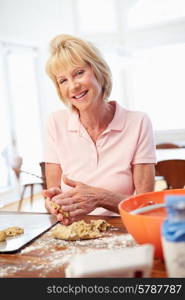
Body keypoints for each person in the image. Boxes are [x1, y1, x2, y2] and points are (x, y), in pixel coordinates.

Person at [43, 34, 156, 225]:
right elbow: (52, 197)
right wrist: (53, 202)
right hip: (73, 231)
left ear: (99, 71)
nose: (73, 86)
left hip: (122, 229)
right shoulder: (55, 122)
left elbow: (146, 206)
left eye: (79, 73)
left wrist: (99, 197)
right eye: (63, 80)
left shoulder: (138, 122)